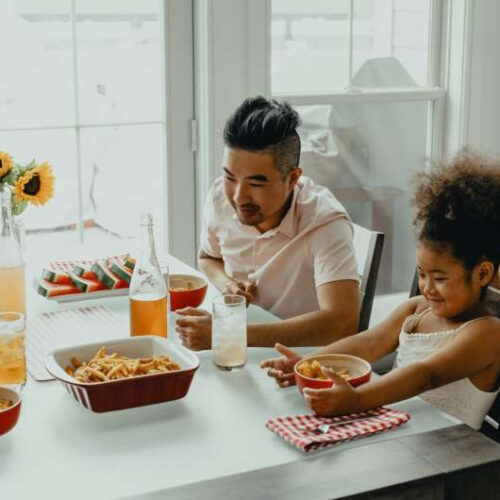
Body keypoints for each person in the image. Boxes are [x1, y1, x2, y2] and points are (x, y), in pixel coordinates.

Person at [261, 150, 500, 430]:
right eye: (422, 274)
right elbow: (368, 343)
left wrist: (357, 399)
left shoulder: (487, 332)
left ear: (482, 273)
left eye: (440, 278)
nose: (427, 287)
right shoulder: (416, 310)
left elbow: (427, 374)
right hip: (396, 432)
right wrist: (307, 364)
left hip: (450, 461)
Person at [176, 96, 360, 350]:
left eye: (256, 183)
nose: (239, 196)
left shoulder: (324, 223)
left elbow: (342, 323)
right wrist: (227, 284)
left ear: (293, 178)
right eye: (230, 176)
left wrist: (229, 333)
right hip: (237, 351)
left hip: (302, 359)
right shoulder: (220, 196)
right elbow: (208, 258)